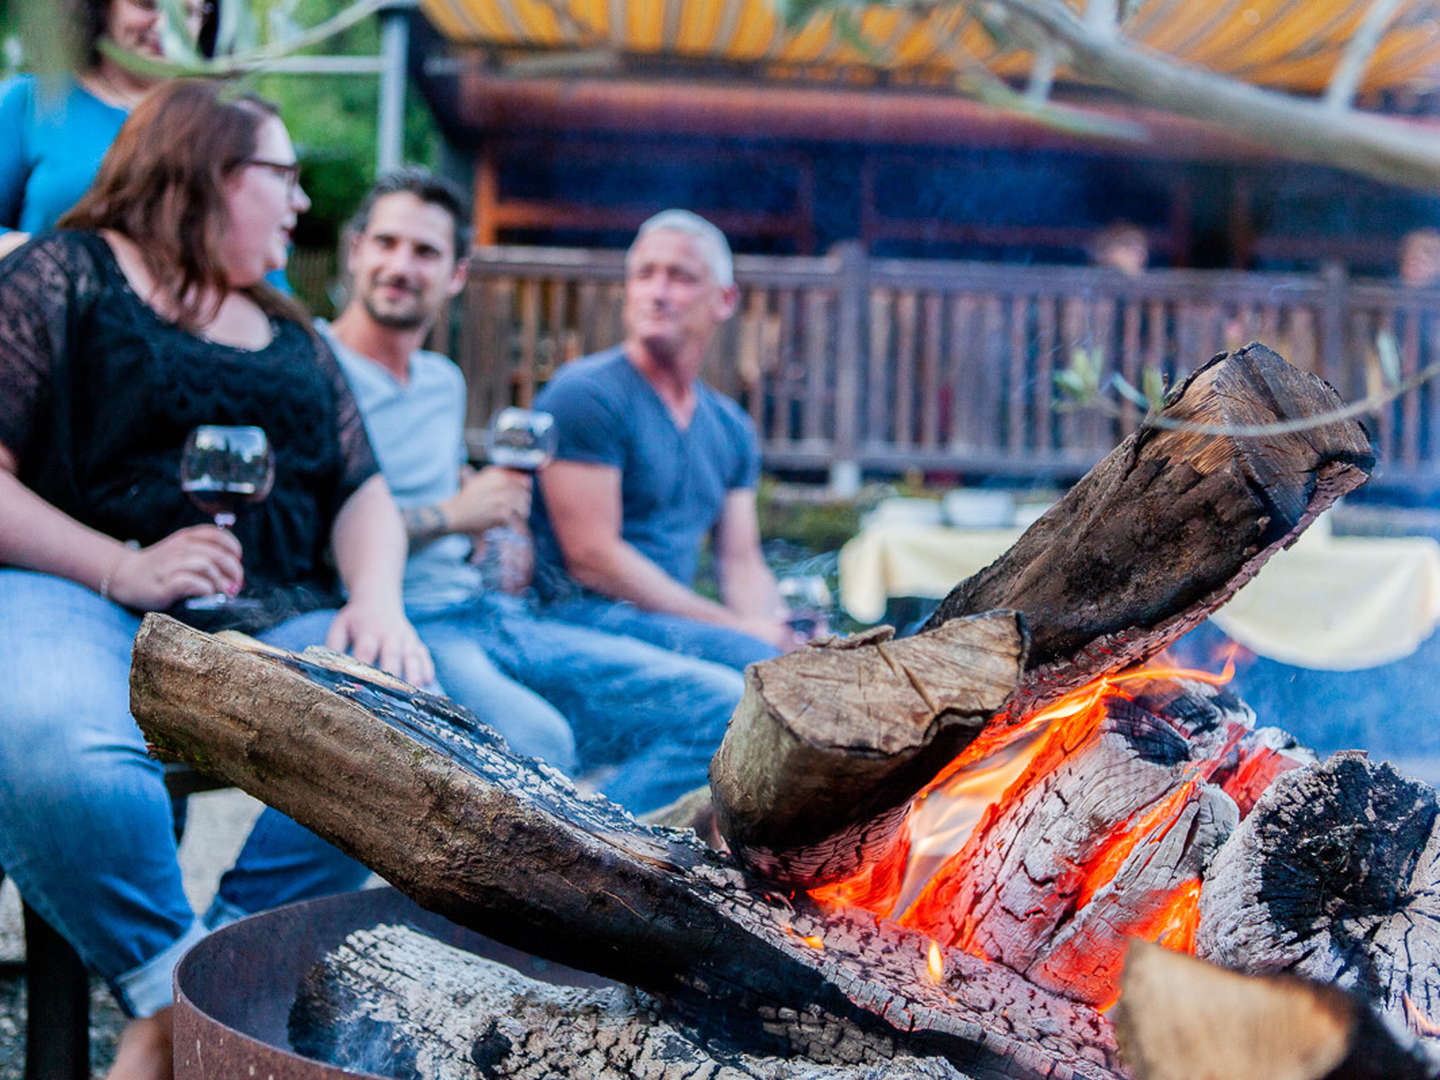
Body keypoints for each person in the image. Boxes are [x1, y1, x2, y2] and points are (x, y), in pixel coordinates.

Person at [0, 81, 430, 1080]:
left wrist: (376, 599)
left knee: (403, 725)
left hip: (270, 610)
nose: (298, 204)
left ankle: (192, 993)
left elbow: (361, 490)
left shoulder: (289, 326)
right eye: (283, 176)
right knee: (51, 742)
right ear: (203, 171)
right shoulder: (62, 275)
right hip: (75, 591)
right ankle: (175, 990)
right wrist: (122, 563)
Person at [321, 169, 746, 814]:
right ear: (354, 252)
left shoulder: (442, 381)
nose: (401, 266)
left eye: (426, 252)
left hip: (488, 612)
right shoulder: (311, 365)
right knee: (539, 741)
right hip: (404, 619)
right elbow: (304, 531)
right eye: (386, 244)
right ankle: (569, 872)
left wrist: (489, 533)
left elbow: (446, 517)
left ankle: (612, 849)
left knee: (724, 704)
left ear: (456, 274)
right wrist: (453, 514)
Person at [530, 209, 793, 673]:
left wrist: (774, 624)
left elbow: (741, 562)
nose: (657, 292)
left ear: (725, 300)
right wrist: (736, 629)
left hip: (670, 631)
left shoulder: (731, 427)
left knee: (801, 664)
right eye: (644, 275)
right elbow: (593, 558)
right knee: (753, 667)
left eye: (681, 277)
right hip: (574, 623)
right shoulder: (584, 394)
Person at [0, 0, 216, 259]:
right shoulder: (34, 100)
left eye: (187, 13)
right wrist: (49, 258)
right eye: (147, 4)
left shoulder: (222, 123)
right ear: (101, 7)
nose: (165, 24)